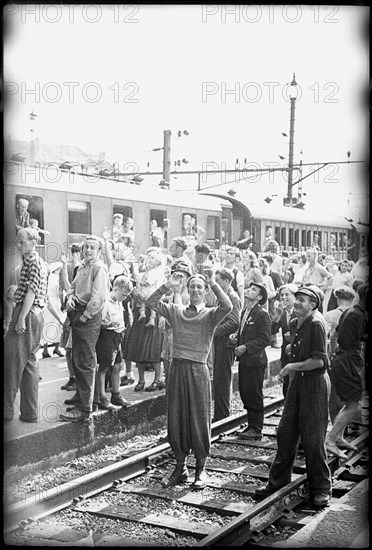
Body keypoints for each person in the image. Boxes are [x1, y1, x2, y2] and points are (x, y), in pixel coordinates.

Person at [146, 268, 232, 489]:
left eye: (199, 287)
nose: (195, 289)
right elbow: (150, 302)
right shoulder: (176, 310)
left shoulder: (211, 315)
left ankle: (201, 468)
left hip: (198, 370)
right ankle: (180, 467)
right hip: (177, 369)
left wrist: (213, 282)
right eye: (191, 286)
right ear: (186, 289)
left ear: (204, 292)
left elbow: (228, 307)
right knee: (176, 418)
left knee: (199, 418)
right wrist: (168, 284)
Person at [255, 285, 332, 508]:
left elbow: (320, 361)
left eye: (303, 299)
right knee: (286, 431)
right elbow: (299, 348)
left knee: (313, 438)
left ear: (314, 304)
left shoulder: (317, 323)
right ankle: (278, 481)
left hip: (315, 384)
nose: (297, 302)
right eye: (297, 298)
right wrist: (292, 353)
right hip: (299, 381)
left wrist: (291, 366)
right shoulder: (295, 322)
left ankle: (321, 487)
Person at [60, 235, 109, 422]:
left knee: (85, 361)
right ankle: (85, 398)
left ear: (99, 251)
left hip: (88, 316)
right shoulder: (81, 267)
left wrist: (84, 317)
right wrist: (70, 298)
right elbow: (72, 288)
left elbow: (98, 298)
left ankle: (84, 409)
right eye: (86, 247)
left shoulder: (98, 268)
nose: (88, 250)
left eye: (92, 248)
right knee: (78, 358)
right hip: (78, 312)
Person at [4, 227, 49, 423]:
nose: (20, 246)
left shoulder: (31, 261)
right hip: (37, 315)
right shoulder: (41, 262)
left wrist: (21, 318)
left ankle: (6, 411)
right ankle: (29, 412)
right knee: (30, 364)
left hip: (26, 313)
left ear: (32, 241)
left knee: (12, 364)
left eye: (22, 242)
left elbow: (30, 291)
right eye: (18, 242)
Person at [325, 284, 368, 458]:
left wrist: (335, 353)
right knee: (354, 406)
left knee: (344, 403)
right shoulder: (359, 317)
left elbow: (334, 336)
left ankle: (339, 438)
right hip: (350, 362)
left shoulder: (349, 312)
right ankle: (330, 440)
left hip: (342, 359)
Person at [235, 282, 271, 440]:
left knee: (254, 393)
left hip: (255, 361)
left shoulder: (262, 314)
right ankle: (251, 425)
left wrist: (245, 347)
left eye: (253, 290)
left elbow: (265, 339)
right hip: (245, 361)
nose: (249, 290)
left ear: (260, 297)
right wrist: (236, 339)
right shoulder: (245, 311)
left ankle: (256, 428)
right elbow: (246, 333)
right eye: (249, 288)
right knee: (246, 392)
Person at [94, 276, 133, 410]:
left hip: (117, 336)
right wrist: (109, 324)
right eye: (123, 294)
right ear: (115, 289)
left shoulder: (119, 301)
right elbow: (98, 321)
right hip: (108, 336)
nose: (125, 297)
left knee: (117, 366)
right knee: (104, 367)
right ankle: (101, 397)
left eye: (127, 295)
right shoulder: (106, 302)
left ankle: (116, 395)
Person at [212, 268, 241, 421]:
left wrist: (214, 331)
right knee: (218, 378)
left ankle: (222, 414)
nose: (215, 285)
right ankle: (220, 413)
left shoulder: (232, 297)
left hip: (225, 343)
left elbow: (234, 322)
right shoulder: (224, 296)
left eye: (218, 281)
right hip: (220, 342)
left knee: (222, 379)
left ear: (227, 281)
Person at [271, 283, 298, 397]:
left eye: (287, 294)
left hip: (298, 352)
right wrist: (278, 314)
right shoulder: (282, 312)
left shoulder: (299, 311)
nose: (283, 298)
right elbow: (272, 330)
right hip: (286, 353)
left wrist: (293, 336)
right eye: (282, 295)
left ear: (294, 296)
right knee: (286, 384)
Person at [132, 249, 166, 327]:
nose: (149, 259)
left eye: (152, 258)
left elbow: (148, 282)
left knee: (145, 298)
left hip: (151, 291)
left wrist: (141, 284)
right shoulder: (149, 272)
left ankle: (147, 315)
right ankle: (145, 314)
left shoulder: (154, 272)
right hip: (151, 291)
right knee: (144, 299)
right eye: (149, 258)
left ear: (158, 263)